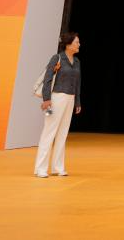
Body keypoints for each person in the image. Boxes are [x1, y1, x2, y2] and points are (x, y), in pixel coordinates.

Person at [34, 32, 82, 178]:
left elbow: (78, 83)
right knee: (49, 132)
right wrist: (46, 99)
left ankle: (57, 167)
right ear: (68, 44)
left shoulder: (77, 61)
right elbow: (48, 79)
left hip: (70, 99)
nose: (79, 45)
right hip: (56, 99)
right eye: (76, 42)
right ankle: (40, 168)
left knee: (63, 133)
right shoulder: (57, 58)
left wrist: (77, 101)